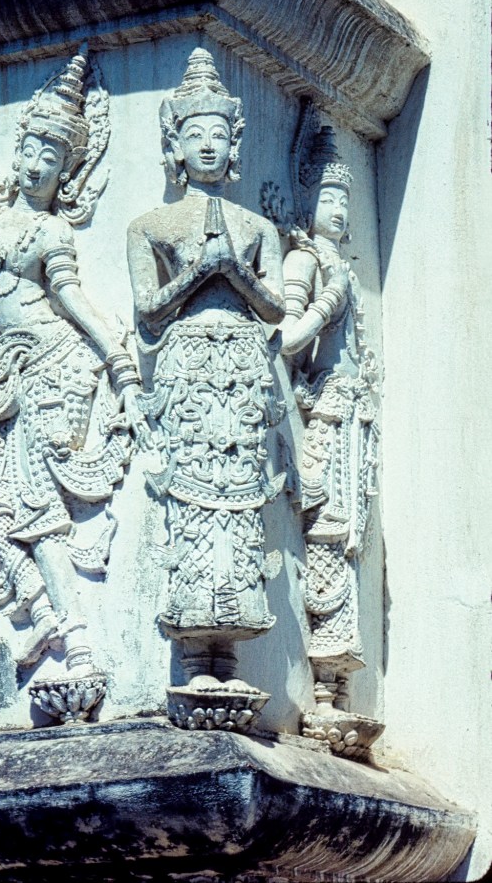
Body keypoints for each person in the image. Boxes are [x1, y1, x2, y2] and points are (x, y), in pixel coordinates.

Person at [0, 52, 145, 683]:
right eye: (30, 149)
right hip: (6, 378)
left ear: (67, 175)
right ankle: (45, 615)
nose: (35, 164)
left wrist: (121, 367)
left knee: (36, 511)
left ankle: (76, 640)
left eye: (50, 159)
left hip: (53, 370)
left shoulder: (53, 235)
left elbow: (75, 304)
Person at [127, 48, 287, 706]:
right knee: (191, 506)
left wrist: (234, 270)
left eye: (219, 135)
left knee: (241, 506)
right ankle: (195, 648)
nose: (209, 146)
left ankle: (232, 645)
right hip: (187, 370)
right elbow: (147, 307)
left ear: (234, 142)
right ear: (174, 142)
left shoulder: (256, 227)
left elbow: (275, 304)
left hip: (243, 374)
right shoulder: (151, 226)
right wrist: (203, 270)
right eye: (196, 135)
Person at [279, 115, 380, 742]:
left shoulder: (341, 265)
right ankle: (320, 686)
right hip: (325, 418)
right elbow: (287, 339)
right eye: (327, 197)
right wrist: (325, 304)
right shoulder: (305, 261)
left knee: (351, 541)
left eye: (344, 199)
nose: (338, 210)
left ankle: (340, 684)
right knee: (326, 538)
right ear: (306, 196)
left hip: (354, 424)